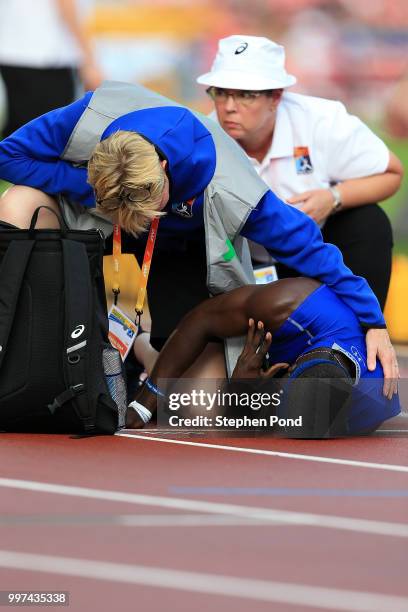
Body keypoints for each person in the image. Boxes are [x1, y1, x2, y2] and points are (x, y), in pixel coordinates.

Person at [0, 80, 398, 392]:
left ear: (164, 167)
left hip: (182, 264)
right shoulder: (88, 116)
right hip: (102, 238)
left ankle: (142, 352)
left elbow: (308, 246)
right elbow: (8, 155)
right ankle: (34, 344)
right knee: (19, 204)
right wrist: (86, 189)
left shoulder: (232, 185)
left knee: (197, 411)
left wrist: (372, 318)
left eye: (150, 207)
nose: (140, 218)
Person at [196, 35, 404, 309]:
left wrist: (333, 197)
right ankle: (174, 340)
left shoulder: (321, 121)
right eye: (221, 92)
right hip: (238, 267)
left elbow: (390, 172)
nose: (229, 107)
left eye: (246, 95)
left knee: (368, 220)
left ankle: (361, 334)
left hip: (314, 257)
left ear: (276, 96)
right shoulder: (202, 140)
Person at [126, 278, 401, 436]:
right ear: (293, 368)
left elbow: (247, 423)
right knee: (179, 392)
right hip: (244, 315)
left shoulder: (369, 409)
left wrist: (245, 393)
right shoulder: (291, 304)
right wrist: (146, 401)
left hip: (260, 368)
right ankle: (143, 345)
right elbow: (202, 319)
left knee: (202, 411)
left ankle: (149, 354)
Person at [0, 0, 102, 137]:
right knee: (47, 135)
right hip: (44, 56)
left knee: (21, 134)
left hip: (18, 51)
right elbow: (66, 5)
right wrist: (89, 60)